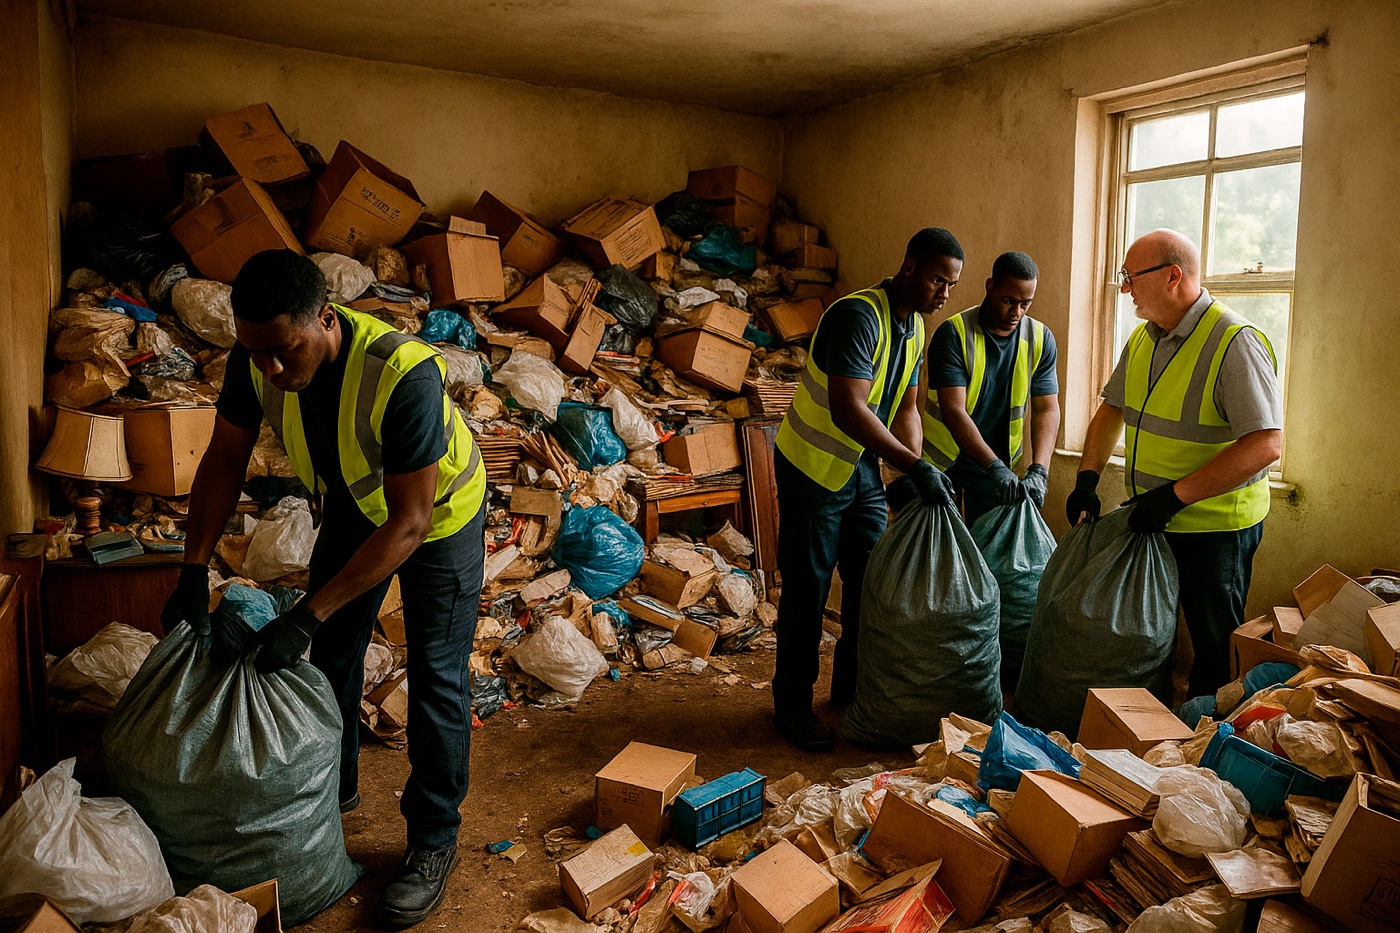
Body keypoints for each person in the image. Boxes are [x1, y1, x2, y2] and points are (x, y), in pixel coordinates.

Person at [159, 249, 487, 927]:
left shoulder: (402, 374)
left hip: (437, 518)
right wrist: (192, 567)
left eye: (284, 349)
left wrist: (306, 613)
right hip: (358, 505)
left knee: (437, 678)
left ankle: (432, 839)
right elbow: (224, 456)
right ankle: (325, 799)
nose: (271, 368)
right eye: (256, 354)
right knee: (331, 658)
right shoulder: (257, 360)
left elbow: (410, 522)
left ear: (325, 320)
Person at [771, 227, 962, 752]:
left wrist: (915, 467)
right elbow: (848, 406)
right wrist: (910, 465)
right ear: (908, 267)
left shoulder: (916, 329)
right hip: (812, 465)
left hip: (858, 469)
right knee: (809, 588)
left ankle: (850, 692)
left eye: (951, 285)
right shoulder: (858, 316)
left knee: (870, 579)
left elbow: (905, 407)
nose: (943, 293)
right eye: (936, 280)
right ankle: (791, 707)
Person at [1069, 229, 1282, 697]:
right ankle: (1153, 734)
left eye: (1130, 277)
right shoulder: (1146, 338)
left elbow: (1266, 444)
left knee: (1214, 648)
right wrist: (1087, 477)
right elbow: (1112, 409)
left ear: (1172, 276)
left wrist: (1174, 497)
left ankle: (1206, 747)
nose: (1125, 289)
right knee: (1152, 633)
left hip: (1215, 529)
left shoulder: (1234, 342)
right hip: (1156, 519)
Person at [922, 250, 1059, 525]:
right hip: (947, 463)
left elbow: (1047, 408)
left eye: (1026, 304)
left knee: (989, 557)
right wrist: (993, 465)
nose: (1016, 312)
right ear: (990, 287)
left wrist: (1040, 470)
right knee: (942, 556)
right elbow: (953, 410)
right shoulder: (954, 334)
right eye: (1009, 301)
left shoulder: (1040, 339)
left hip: (999, 471)